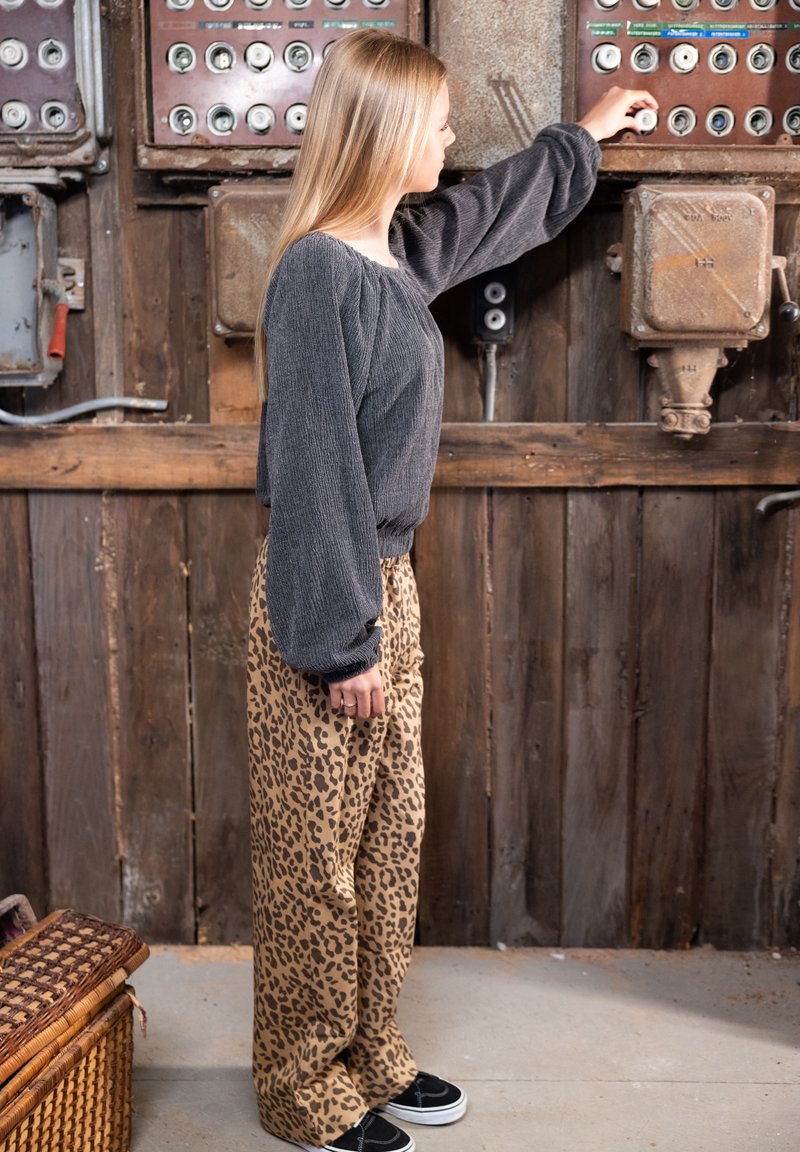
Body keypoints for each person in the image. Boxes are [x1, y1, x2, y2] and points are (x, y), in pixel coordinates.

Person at [247, 29, 657, 1152]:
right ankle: (302, 1087)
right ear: (381, 134)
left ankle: (369, 1053)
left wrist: (583, 139)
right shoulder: (316, 275)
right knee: (315, 862)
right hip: (323, 601)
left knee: (386, 842)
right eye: (432, 120)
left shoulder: (394, 253)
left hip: (386, 587)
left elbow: (493, 213)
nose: (446, 136)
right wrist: (341, 647)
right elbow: (317, 469)